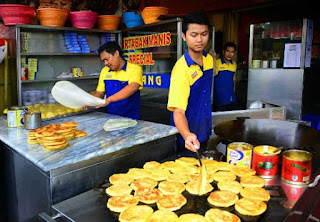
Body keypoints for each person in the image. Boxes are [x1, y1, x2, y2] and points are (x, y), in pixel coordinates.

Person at [167, 11, 213, 152]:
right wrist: (187, 134)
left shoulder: (209, 60)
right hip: (186, 138)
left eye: (204, 34)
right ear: (184, 36)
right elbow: (178, 111)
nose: (199, 39)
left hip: (204, 131)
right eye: (194, 35)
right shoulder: (181, 69)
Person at [94, 41, 143, 119]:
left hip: (131, 119)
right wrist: (91, 101)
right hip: (110, 118)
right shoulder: (104, 71)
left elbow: (133, 87)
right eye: (103, 61)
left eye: (107, 59)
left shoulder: (135, 69)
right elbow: (100, 93)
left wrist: (108, 100)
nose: (106, 63)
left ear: (116, 53)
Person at [213, 41, 238, 111]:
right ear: (223, 51)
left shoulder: (234, 65)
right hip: (219, 99)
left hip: (231, 98)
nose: (229, 54)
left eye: (232, 52)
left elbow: (233, 80)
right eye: (228, 51)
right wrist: (213, 59)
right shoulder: (217, 62)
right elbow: (212, 75)